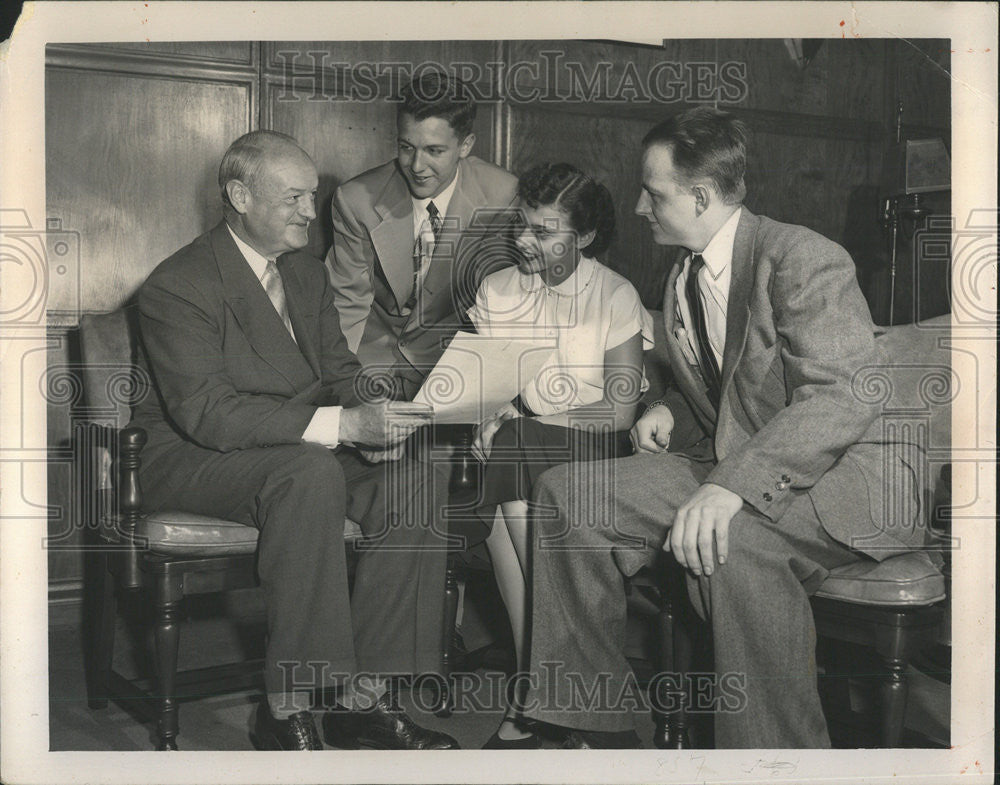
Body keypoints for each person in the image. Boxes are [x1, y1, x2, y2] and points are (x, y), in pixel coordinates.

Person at [520, 107, 929, 749]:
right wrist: (672, 411)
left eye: (653, 193)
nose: (636, 207)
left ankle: (777, 758)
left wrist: (731, 487)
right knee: (566, 495)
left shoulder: (802, 257)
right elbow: (738, 390)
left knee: (730, 542)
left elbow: (842, 395)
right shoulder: (682, 274)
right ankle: (593, 729)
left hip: (845, 482)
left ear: (701, 195)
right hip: (742, 464)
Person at [130, 130, 461, 751]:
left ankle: (363, 695)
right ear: (239, 196)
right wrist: (343, 427)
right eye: (295, 199)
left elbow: (338, 374)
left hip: (295, 448)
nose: (312, 213)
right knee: (309, 475)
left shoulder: (306, 276)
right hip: (192, 457)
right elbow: (207, 413)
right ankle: (288, 705)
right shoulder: (179, 284)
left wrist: (389, 412)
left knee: (417, 472)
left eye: (313, 197)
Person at [464, 162, 653, 749]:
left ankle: (530, 697)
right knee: (508, 494)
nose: (526, 241)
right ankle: (550, 691)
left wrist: (521, 421)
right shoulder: (498, 289)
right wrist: (486, 415)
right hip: (518, 455)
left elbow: (619, 413)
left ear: (586, 237)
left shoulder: (615, 293)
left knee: (512, 452)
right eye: (524, 226)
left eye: (546, 232)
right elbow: (482, 388)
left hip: (594, 446)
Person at [327, 70, 519, 400]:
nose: (416, 165)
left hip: (453, 365)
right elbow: (347, 307)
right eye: (406, 147)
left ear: (465, 145)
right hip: (373, 361)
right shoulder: (356, 199)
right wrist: (353, 397)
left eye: (434, 150)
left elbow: (503, 308)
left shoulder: (503, 196)